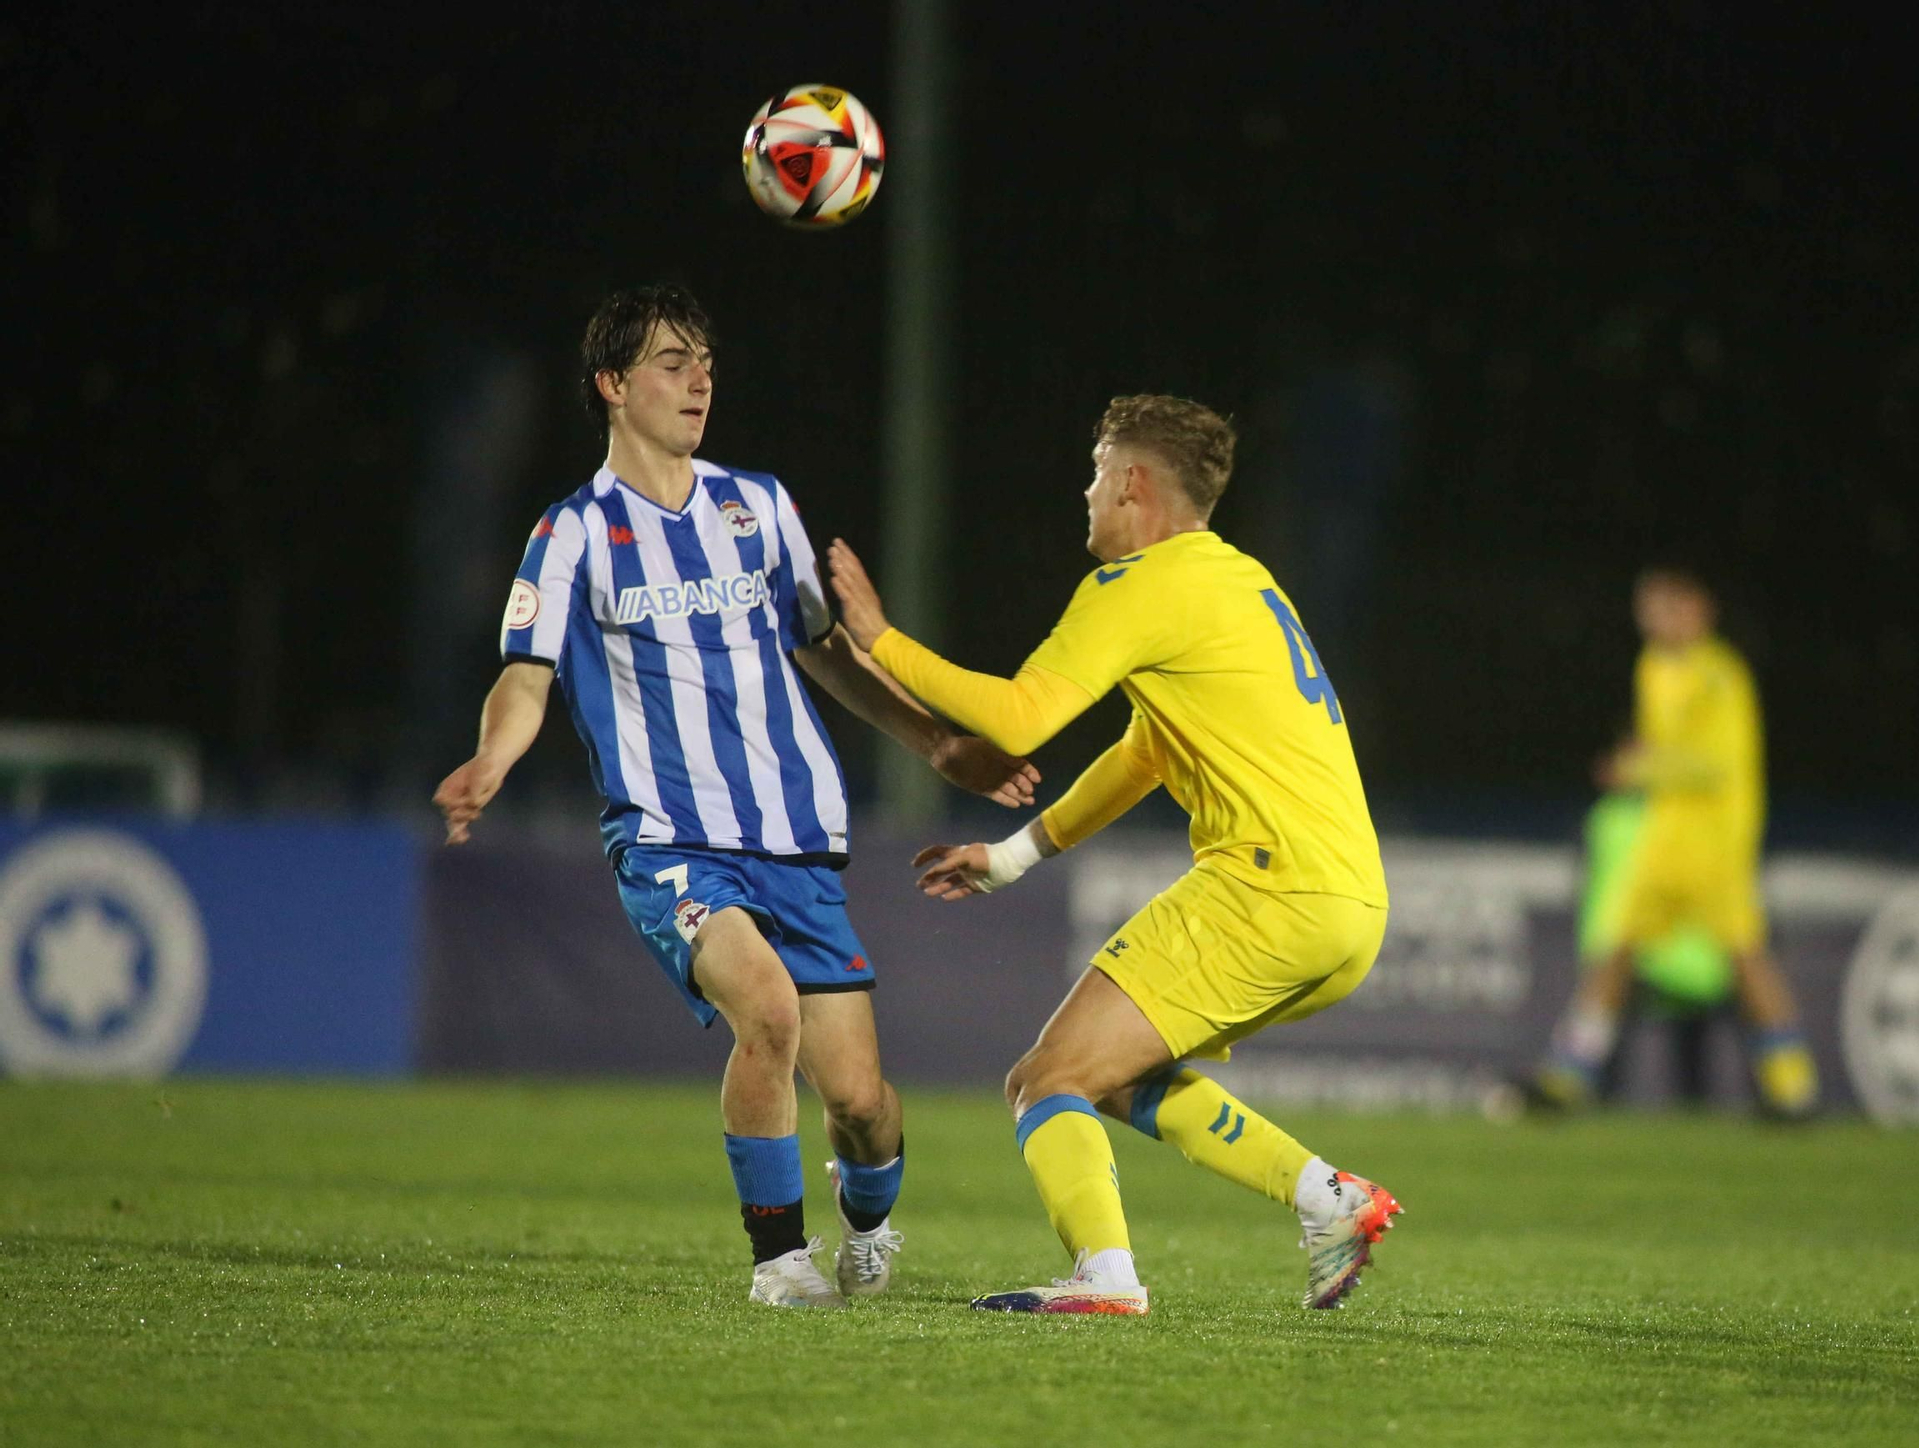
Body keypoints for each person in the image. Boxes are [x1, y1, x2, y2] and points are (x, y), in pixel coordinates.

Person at [432, 284, 1040, 1309]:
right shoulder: (572, 532)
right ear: (612, 385)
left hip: (791, 835)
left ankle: (869, 1218)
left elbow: (826, 652)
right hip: (669, 840)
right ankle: (778, 1260)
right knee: (764, 1009)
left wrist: (938, 742)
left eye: (705, 360)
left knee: (859, 1100)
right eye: (672, 361)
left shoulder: (755, 505)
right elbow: (524, 674)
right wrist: (491, 759)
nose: (698, 377)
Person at [825, 394, 1401, 1316]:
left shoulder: (1142, 584)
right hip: (1348, 907)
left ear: (1132, 483)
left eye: (1096, 472)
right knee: (1113, 1075)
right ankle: (1330, 1199)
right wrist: (1013, 857)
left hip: (1265, 884)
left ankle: (1106, 1278)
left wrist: (878, 638)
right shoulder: (1239, 580)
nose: (1086, 493)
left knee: (1044, 1081)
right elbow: (1146, 753)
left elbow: (1019, 716)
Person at [1527, 567, 1819, 1117]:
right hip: (1665, 842)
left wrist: (1637, 769)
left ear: (1700, 609)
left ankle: (1793, 1087)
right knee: (1617, 951)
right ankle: (1566, 1079)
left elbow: (1712, 765)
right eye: (1648, 608)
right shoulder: (1654, 667)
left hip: (1715, 843)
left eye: (1667, 606)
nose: (1654, 619)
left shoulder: (1719, 675)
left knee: (1746, 957)